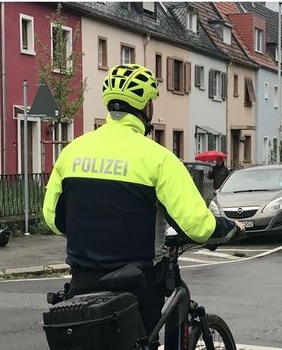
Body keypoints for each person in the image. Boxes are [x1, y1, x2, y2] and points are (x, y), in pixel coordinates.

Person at [42, 64, 244, 336]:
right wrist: (229, 228)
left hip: (84, 278)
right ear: (145, 107)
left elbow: (53, 219)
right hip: (139, 281)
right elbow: (197, 226)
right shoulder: (158, 158)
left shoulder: (72, 151)